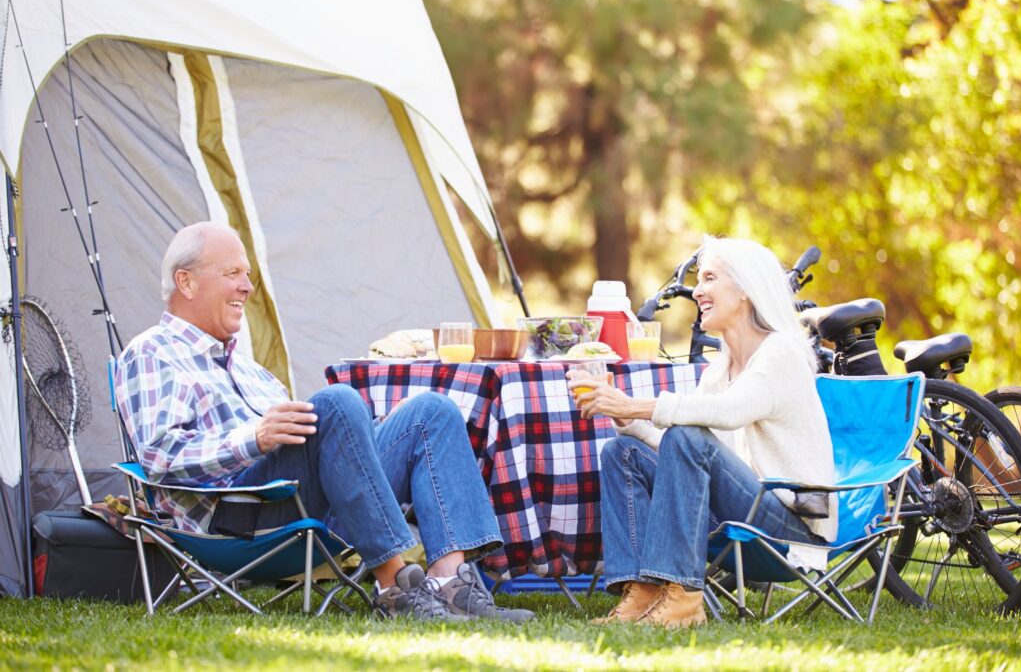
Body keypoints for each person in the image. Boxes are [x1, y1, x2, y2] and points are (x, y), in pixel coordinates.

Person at [115, 221, 533, 623]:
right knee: (336, 401)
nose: (247, 285)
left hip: (305, 501)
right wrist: (254, 438)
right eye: (232, 273)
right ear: (185, 282)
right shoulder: (153, 352)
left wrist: (362, 435)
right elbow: (158, 456)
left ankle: (451, 586)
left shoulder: (248, 369)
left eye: (247, 274)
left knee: (432, 412)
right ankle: (397, 589)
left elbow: (319, 445)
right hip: (235, 517)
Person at [567, 236, 835, 629]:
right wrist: (623, 416)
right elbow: (679, 452)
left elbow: (727, 413)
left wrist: (633, 404)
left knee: (686, 435)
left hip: (789, 527)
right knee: (621, 451)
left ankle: (683, 599)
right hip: (742, 511)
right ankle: (643, 591)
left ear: (745, 289)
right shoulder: (720, 368)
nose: (698, 290)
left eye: (710, 278)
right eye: (699, 279)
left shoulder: (781, 353)